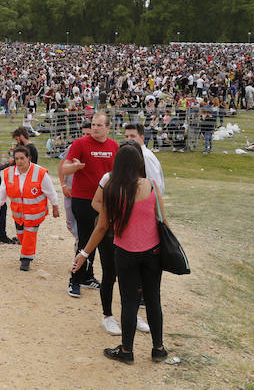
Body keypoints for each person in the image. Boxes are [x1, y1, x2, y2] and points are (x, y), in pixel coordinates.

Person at [72, 142, 168, 365]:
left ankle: (127, 350)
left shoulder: (114, 191)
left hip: (126, 254)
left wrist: (84, 253)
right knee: (153, 299)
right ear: (139, 164)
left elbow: (102, 227)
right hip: (152, 252)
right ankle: (159, 348)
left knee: (129, 301)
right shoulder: (152, 186)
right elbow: (163, 220)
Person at [60, 112, 118, 298]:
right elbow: (64, 168)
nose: (95, 128)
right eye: (93, 124)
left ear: (108, 128)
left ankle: (88, 276)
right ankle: (75, 279)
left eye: (99, 125)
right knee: (85, 239)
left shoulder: (114, 146)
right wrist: (75, 168)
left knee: (103, 241)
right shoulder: (80, 144)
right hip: (83, 199)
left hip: (104, 201)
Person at [0, 145, 60, 271]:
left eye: (22, 158)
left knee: (29, 234)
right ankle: (27, 250)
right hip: (18, 214)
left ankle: (25, 260)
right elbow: (2, 191)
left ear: (29, 158)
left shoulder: (40, 173)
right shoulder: (8, 173)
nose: (19, 161)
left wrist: (55, 206)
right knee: (21, 235)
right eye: (16, 159)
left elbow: (51, 191)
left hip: (35, 213)